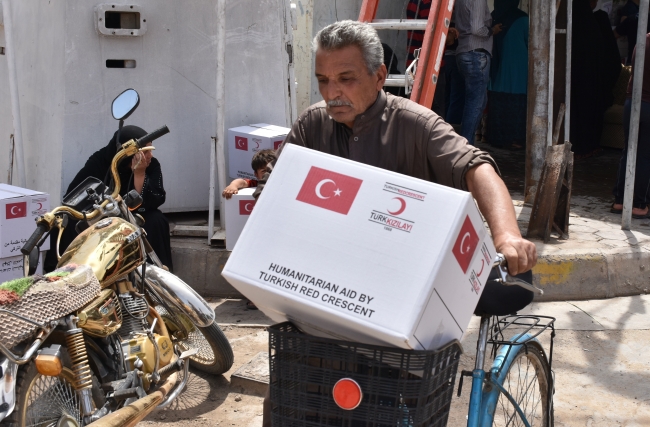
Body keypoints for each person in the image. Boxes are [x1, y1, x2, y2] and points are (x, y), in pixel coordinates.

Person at [258, 21, 537, 425]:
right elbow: (283, 194)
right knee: (293, 400)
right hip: (331, 288)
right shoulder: (311, 126)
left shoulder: (416, 125)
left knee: (388, 405)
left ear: (378, 77)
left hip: (401, 296)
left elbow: (478, 169)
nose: (332, 92)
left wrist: (507, 234)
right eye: (323, 80)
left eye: (346, 79)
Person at [44, 125, 174, 272]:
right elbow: (76, 195)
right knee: (69, 222)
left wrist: (139, 173)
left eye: (151, 150)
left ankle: (155, 274)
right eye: (145, 151)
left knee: (156, 220)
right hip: (102, 215)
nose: (150, 155)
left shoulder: (151, 165)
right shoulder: (101, 161)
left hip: (133, 214)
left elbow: (154, 200)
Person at [612, 33, 650, 219]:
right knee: (644, 156)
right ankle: (639, 204)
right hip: (648, 104)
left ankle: (620, 200)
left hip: (632, 102)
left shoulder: (643, 40)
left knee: (628, 151)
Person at [455, 0, 502, 145]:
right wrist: (492, 30)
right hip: (476, 53)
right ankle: (466, 146)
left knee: (475, 101)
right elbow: (477, 29)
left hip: (464, 51)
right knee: (476, 103)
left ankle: (464, 142)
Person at [486, 0, 529, 150]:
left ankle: (497, 138)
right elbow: (532, 44)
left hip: (496, 73)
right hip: (518, 73)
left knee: (498, 105)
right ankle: (515, 139)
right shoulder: (522, 19)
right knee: (516, 106)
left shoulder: (492, 18)